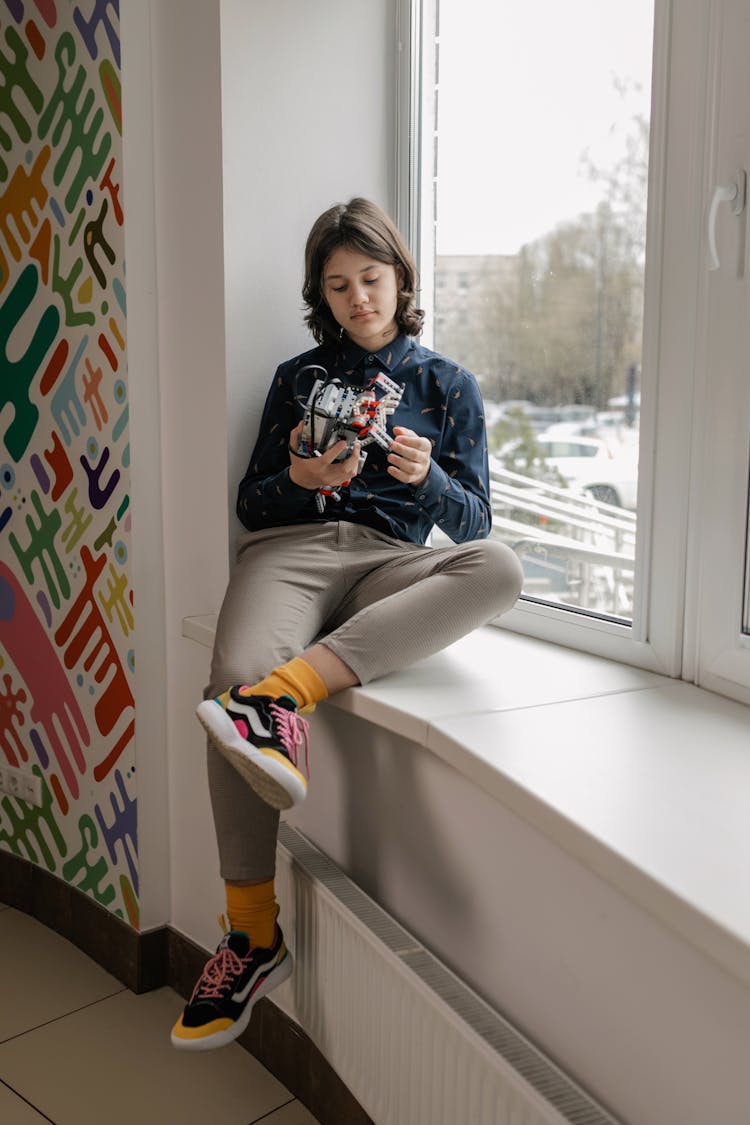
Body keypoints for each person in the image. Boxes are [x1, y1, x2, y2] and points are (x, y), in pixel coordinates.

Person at [170, 198, 523, 1050]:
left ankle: (285, 696)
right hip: (291, 548)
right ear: (320, 296)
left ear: (400, 279)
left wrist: (429, 478)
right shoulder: (297, 377)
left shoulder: (448, 386)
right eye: (338, 285)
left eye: (371, 278)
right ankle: (252, 934)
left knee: (501, 570)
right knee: (227, 681)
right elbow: (253, 502)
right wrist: (298, 473)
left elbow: (474, 528)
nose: (357, 297)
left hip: (385, 560)